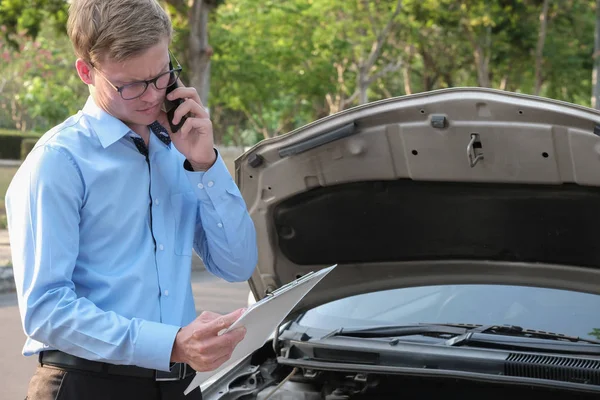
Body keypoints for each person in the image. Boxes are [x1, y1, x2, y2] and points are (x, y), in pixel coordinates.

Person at [5, 0, 258, 398]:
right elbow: (46, 311)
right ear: (86, 71)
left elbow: (237, 263)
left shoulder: (180, 149)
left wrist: (206, 163)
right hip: (84, 385)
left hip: (178, 385)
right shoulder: (58, 162)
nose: (151, 96)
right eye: (130, 85)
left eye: (161, 76)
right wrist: (170, 342)